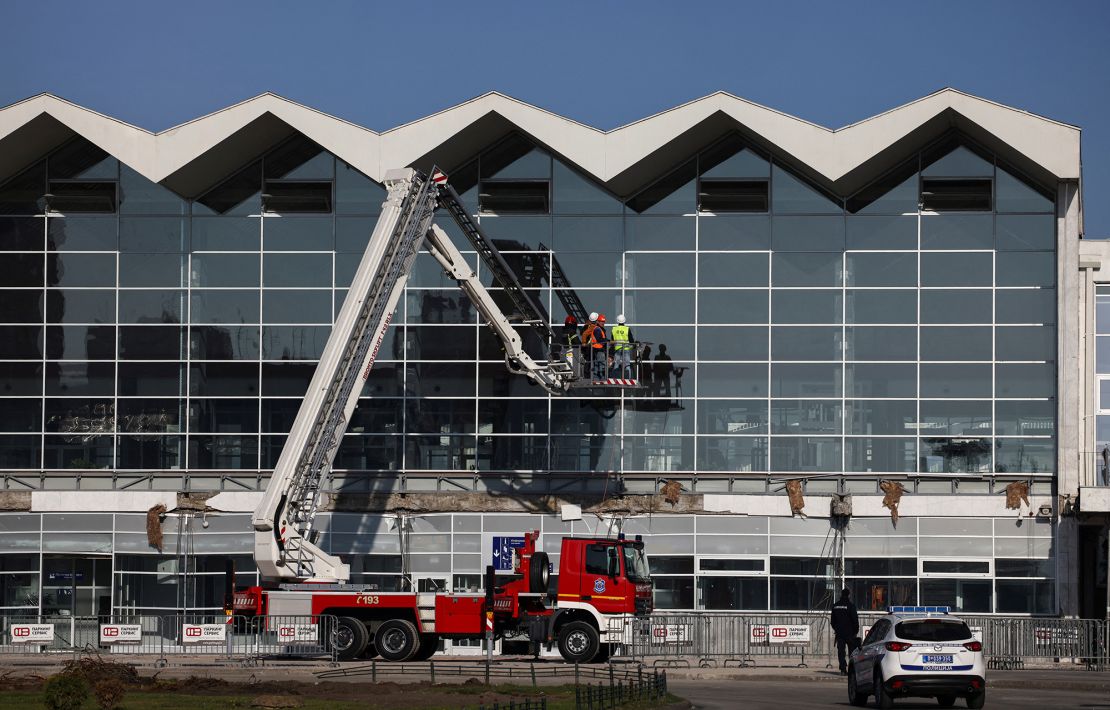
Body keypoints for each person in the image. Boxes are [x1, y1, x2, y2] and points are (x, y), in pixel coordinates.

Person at [831, 588, 860, 675]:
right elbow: (855, 620)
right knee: (852, 652)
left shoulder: (835, 606)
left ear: (841, 594)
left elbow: (832, 621)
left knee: (841, 652)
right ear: (849, 595)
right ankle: (852, 670)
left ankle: (843, 669)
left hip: (840, 634)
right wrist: (855, 631)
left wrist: (837, 629)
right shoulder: (851, 606)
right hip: (850, 633)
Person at [580, 312, 599, 378]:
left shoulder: (588, 326)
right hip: (591, 347)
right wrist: (584, 342)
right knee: (590, 361)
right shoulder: (592, 327)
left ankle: (587, 375)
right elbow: (584, 334)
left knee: (589, 361)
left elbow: (582, 332)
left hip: (589, 347)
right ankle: (588, 376)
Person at [592, 314, 609, 379]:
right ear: (597, 322)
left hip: (598, 349)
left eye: (604, 321)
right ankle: (601, 377)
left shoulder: (599, 329)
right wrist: (607, 341)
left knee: (597, 364)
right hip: (598, 349)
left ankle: (597, 377)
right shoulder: (597, 329)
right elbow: (599, 339)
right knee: (601, 364)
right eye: (601, 321)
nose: (603, 323)